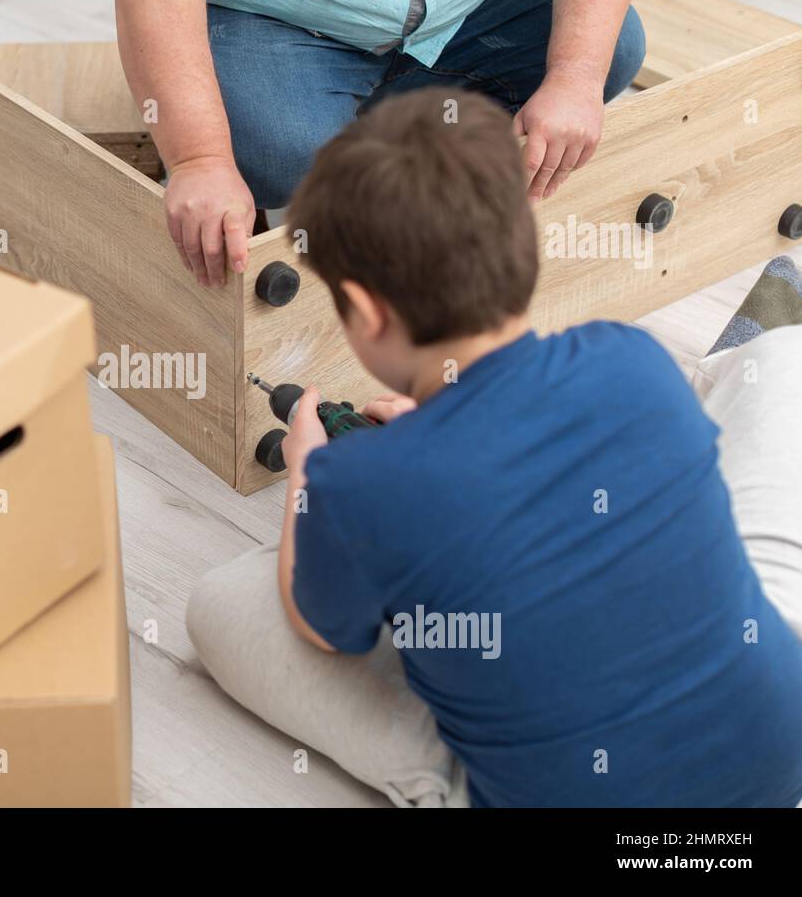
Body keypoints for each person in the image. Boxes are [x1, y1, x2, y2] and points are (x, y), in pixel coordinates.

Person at [186, 87, 802, 807]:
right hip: (778, 744)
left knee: (219, 605)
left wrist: (308, 476)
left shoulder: (357, 484)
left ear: (372, 314)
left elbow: (322, 630)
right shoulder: (629, 356)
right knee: (782, 365)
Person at [108, 0, 646, 288]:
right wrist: (199, 156)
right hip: (278, 13)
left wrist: (575, 74)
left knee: (610, 49)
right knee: (279, 154)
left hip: (462, 8)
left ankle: (372, 130)